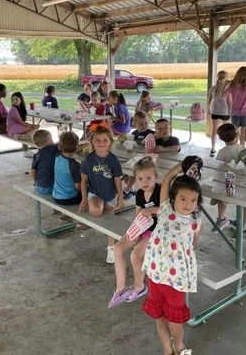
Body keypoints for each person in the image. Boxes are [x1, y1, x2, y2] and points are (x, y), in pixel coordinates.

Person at [142, 162, 202, 355]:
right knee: (159, 318)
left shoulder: (195, 220)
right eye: (183, 198)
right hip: (155, 276)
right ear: (173, 199)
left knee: (175, 321)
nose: (188, 204)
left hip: (176, 281)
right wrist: (181, 166)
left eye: (193, 200)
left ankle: (179, 345)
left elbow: (194, 244)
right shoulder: (165, 209)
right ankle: (167, 350)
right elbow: (167, 179)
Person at [108, 157, 160, 308]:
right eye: (140, 179)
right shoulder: (139, 194)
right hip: (143, 228)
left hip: (157, 232)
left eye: (149, 178)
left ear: (156, 177)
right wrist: (134, 231)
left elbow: (168, 211)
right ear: (135, 179)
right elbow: (138, 215)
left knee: (135, 255)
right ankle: (120, 289)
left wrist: (150, 210)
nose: (145, 182)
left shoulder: (160, 191)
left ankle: (139, 286)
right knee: (118, 247)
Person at [78, 123, 124, 263]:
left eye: (105, 140)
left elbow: (117, 181)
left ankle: (111, 247)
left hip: (110, 195)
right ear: (91, 141)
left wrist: (120, 199)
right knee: (96, 211)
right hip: (95, 193)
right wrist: (84, 199)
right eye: (97, 140)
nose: (101, 143)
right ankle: (100, 211)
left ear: (110, 142)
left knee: (109, 220)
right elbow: (83, 181)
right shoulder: (89, 159)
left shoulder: (113, 159)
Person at [211, 123, 243, 231]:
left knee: (221, 198)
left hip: (226, 182)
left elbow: (218, 167)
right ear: (237, 135)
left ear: (220, 138)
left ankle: (221, 218)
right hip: (241, 182)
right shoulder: (242, 149)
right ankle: (241, 222)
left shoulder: (222, 151)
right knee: (241, 204)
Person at [53, 131, 82, 205]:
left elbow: (61, 146)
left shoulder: (57, 155)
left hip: (56, 196)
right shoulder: (75, 165)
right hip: (70, 198)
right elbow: (78, 186)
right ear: (77, 147)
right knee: (91, 191)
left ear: (59, 146)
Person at [7, 92, 39, 157]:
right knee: (34, 128)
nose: (14, 101)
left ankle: (22, 137)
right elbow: (21, 122)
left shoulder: (19, 108)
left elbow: (21, 122)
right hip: (13, 128)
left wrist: (31, 125)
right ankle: (22, 137)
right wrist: (32, 125)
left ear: (21, 99)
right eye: (13, 99)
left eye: (16, 99)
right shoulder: (13, 109)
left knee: (34, 128)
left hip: (16, 127)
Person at [206, 70, 231, 156]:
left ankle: (213, 149)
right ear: (226, 78)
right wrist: (230, 111)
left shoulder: (213, 88)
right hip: (224, 112)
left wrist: (209, 109)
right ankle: (227, 149)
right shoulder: (227, 89)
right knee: (227, 131)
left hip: (215, 112)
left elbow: (209, 100)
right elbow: (230, 102)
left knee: (214, 131)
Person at [31, 129, 59, 195]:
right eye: (51, 138)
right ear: (47, 140)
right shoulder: (54, 148)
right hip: (50, 187)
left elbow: (33, 171)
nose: (53, 140)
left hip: (40, 187)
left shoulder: (36, 155)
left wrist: (35, 182)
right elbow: (63, 144)